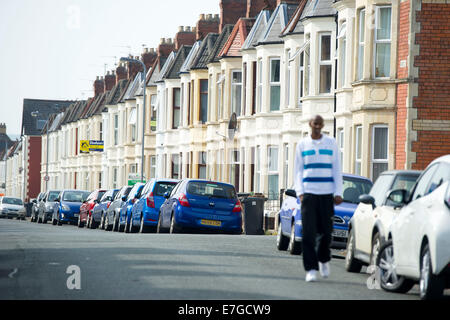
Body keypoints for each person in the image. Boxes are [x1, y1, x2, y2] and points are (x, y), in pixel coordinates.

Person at [293, 115, 343, 282]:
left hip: (326, 194)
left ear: (322, 125)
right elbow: (298, 171)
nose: (317, 126)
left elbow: (336, 168)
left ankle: (323, 260)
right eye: (315, 123)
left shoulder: (331, 143)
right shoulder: (302, 144)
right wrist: (300, 192)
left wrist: (338, 192)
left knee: (326, 232)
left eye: (320, 124)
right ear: (310, 124)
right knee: (308, 233)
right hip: (309, 194)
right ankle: (311, 269)